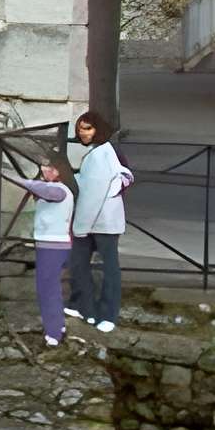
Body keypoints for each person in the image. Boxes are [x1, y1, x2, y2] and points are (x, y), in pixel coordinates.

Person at [68, 109, 131, 335]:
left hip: (102, 221)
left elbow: (93, 194)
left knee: (107, 267)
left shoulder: (101, 154)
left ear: (98, 130)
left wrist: (80, 226)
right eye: (80, 129)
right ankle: (84, 307)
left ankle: (106, 314)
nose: (83, 133)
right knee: (80, 262)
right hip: (99, 220)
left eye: (88, 128)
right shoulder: (101, 152)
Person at [24, 153, 75, 346]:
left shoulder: (58, 190)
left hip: (52, 245)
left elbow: (39, 188)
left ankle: (53, 333)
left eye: (49, 167)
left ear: (59, 170)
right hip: (51, 244)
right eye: (43, 166)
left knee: (47, 288)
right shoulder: (56, 189)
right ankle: (57, 327)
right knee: (50, 287)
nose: (45, 170)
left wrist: (17, 179)